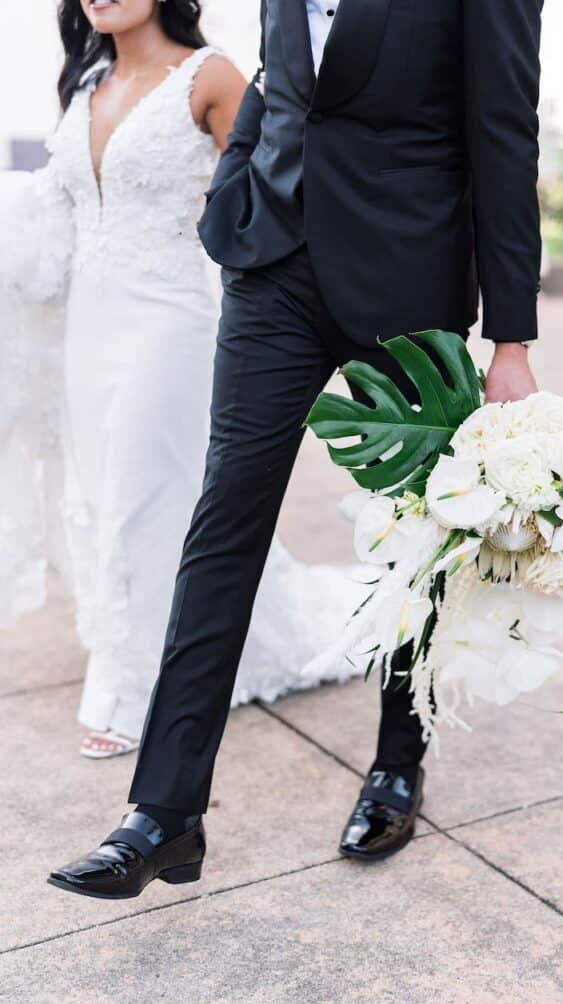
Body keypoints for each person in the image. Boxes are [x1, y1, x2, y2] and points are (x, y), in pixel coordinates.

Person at [49, 0, 543, 897]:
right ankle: (163, 814)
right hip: (272, 269)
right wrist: (234, 197)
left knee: (412, 531)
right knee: (223, 522)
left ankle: (397, 764)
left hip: (409, 280)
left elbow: (504, 126)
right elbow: (283, 85)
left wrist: (511, 337)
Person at [0, 0, 365, 761]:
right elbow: (58, 209)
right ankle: (147, 643)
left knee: (144, 492)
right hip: (87, 325)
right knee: (98, 493)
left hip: (169, 320)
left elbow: (267, 194)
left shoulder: (212, 76)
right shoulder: (84, 81)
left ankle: (137, 690)